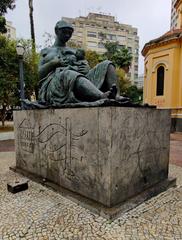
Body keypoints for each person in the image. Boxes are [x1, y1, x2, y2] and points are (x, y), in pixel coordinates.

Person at [38, 20, 120, 106]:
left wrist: (86, 68)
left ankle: (116, 96)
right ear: (56, 30)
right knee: (70, 74)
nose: (67, 35)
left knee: (107, 64)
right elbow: (39, 74)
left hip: (80, 81)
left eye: (70, 33)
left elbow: (83, 66)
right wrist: (53, 63)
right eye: (64, 32)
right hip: (57, 84)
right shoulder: (46, 51)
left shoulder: (75, 51)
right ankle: (101, 96)